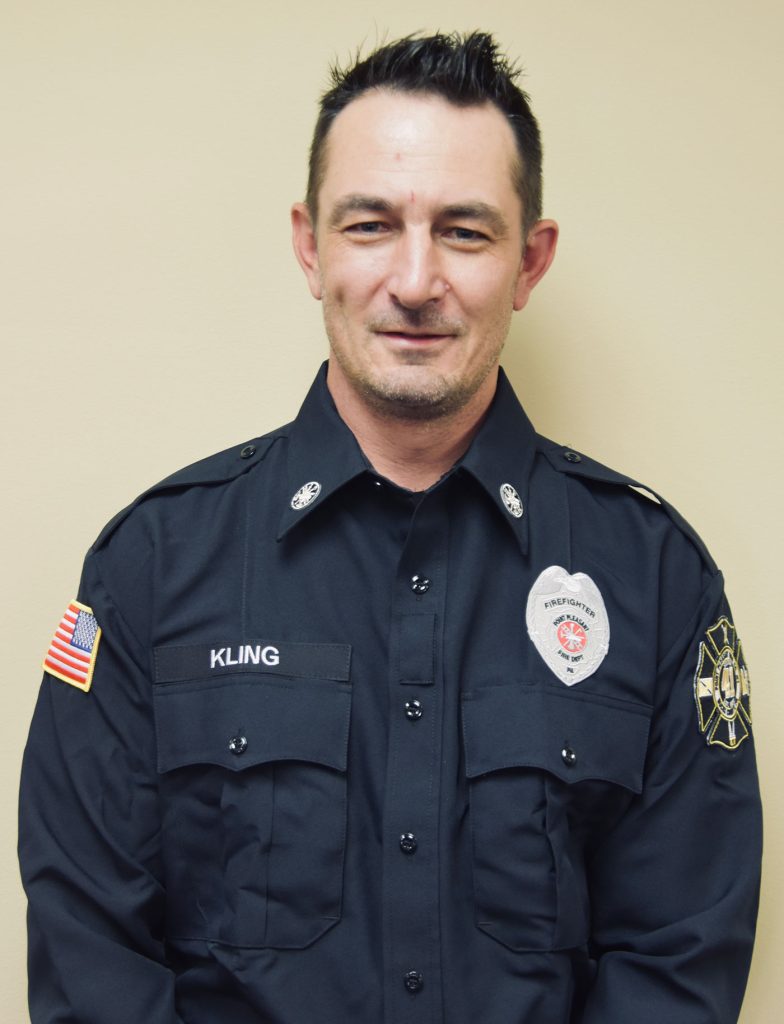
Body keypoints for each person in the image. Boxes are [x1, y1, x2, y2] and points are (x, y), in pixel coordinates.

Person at [19, 30, 761, 1024]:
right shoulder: (151, 567)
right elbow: (89, 952)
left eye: (464, 231)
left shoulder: (653, 578)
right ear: (308, 245)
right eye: (371, 225)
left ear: (529, 262)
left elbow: (677, 959)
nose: (414, 281)